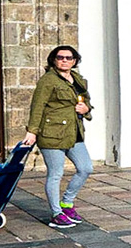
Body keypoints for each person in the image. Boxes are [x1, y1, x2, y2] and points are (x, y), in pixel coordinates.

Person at [21, 45, 93, 228]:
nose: (65, 60)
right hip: (51, 134)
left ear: (75, 61)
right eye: (60, 57)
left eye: (69, 58)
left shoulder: (78, 80)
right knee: (56, 174)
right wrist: (32, 131)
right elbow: (37, 106)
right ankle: (56, 213)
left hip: (73, 132)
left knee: (85, 168)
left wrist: (86, 110)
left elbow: (86, 101)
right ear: (54, 59)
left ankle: (67, 204)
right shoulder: (48, 80)